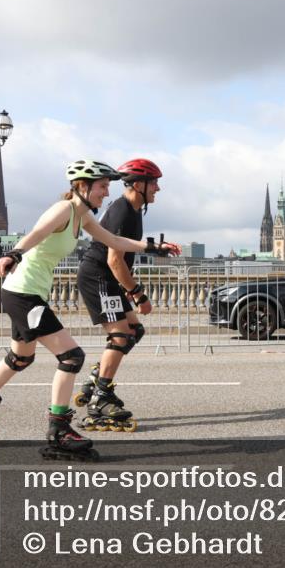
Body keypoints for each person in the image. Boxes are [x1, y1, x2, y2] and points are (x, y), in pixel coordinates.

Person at [0, 160, 172, 460]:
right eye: (102, 186)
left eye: (107, 186)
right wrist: (13, 254)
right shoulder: (64, 210)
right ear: (83, 186)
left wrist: (154, 248)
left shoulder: (82, 218)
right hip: (23, 292)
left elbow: (115, 241)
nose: (107, 192)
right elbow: (37, 233)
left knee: (21, 357)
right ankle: (59, 431)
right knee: (71, 357)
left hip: (26, 292)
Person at [74, 158, 180, 431]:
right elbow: (114, 260)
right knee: (121, 335)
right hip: (98, 276)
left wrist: (157, 247)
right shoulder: (122, 209)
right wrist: (137, 294)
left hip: (105, 277)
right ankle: (100, 399)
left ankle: (97, 379)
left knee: (134, 330)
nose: (158, 188)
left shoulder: (133, 209)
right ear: (139, 184)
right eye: (154, 182)